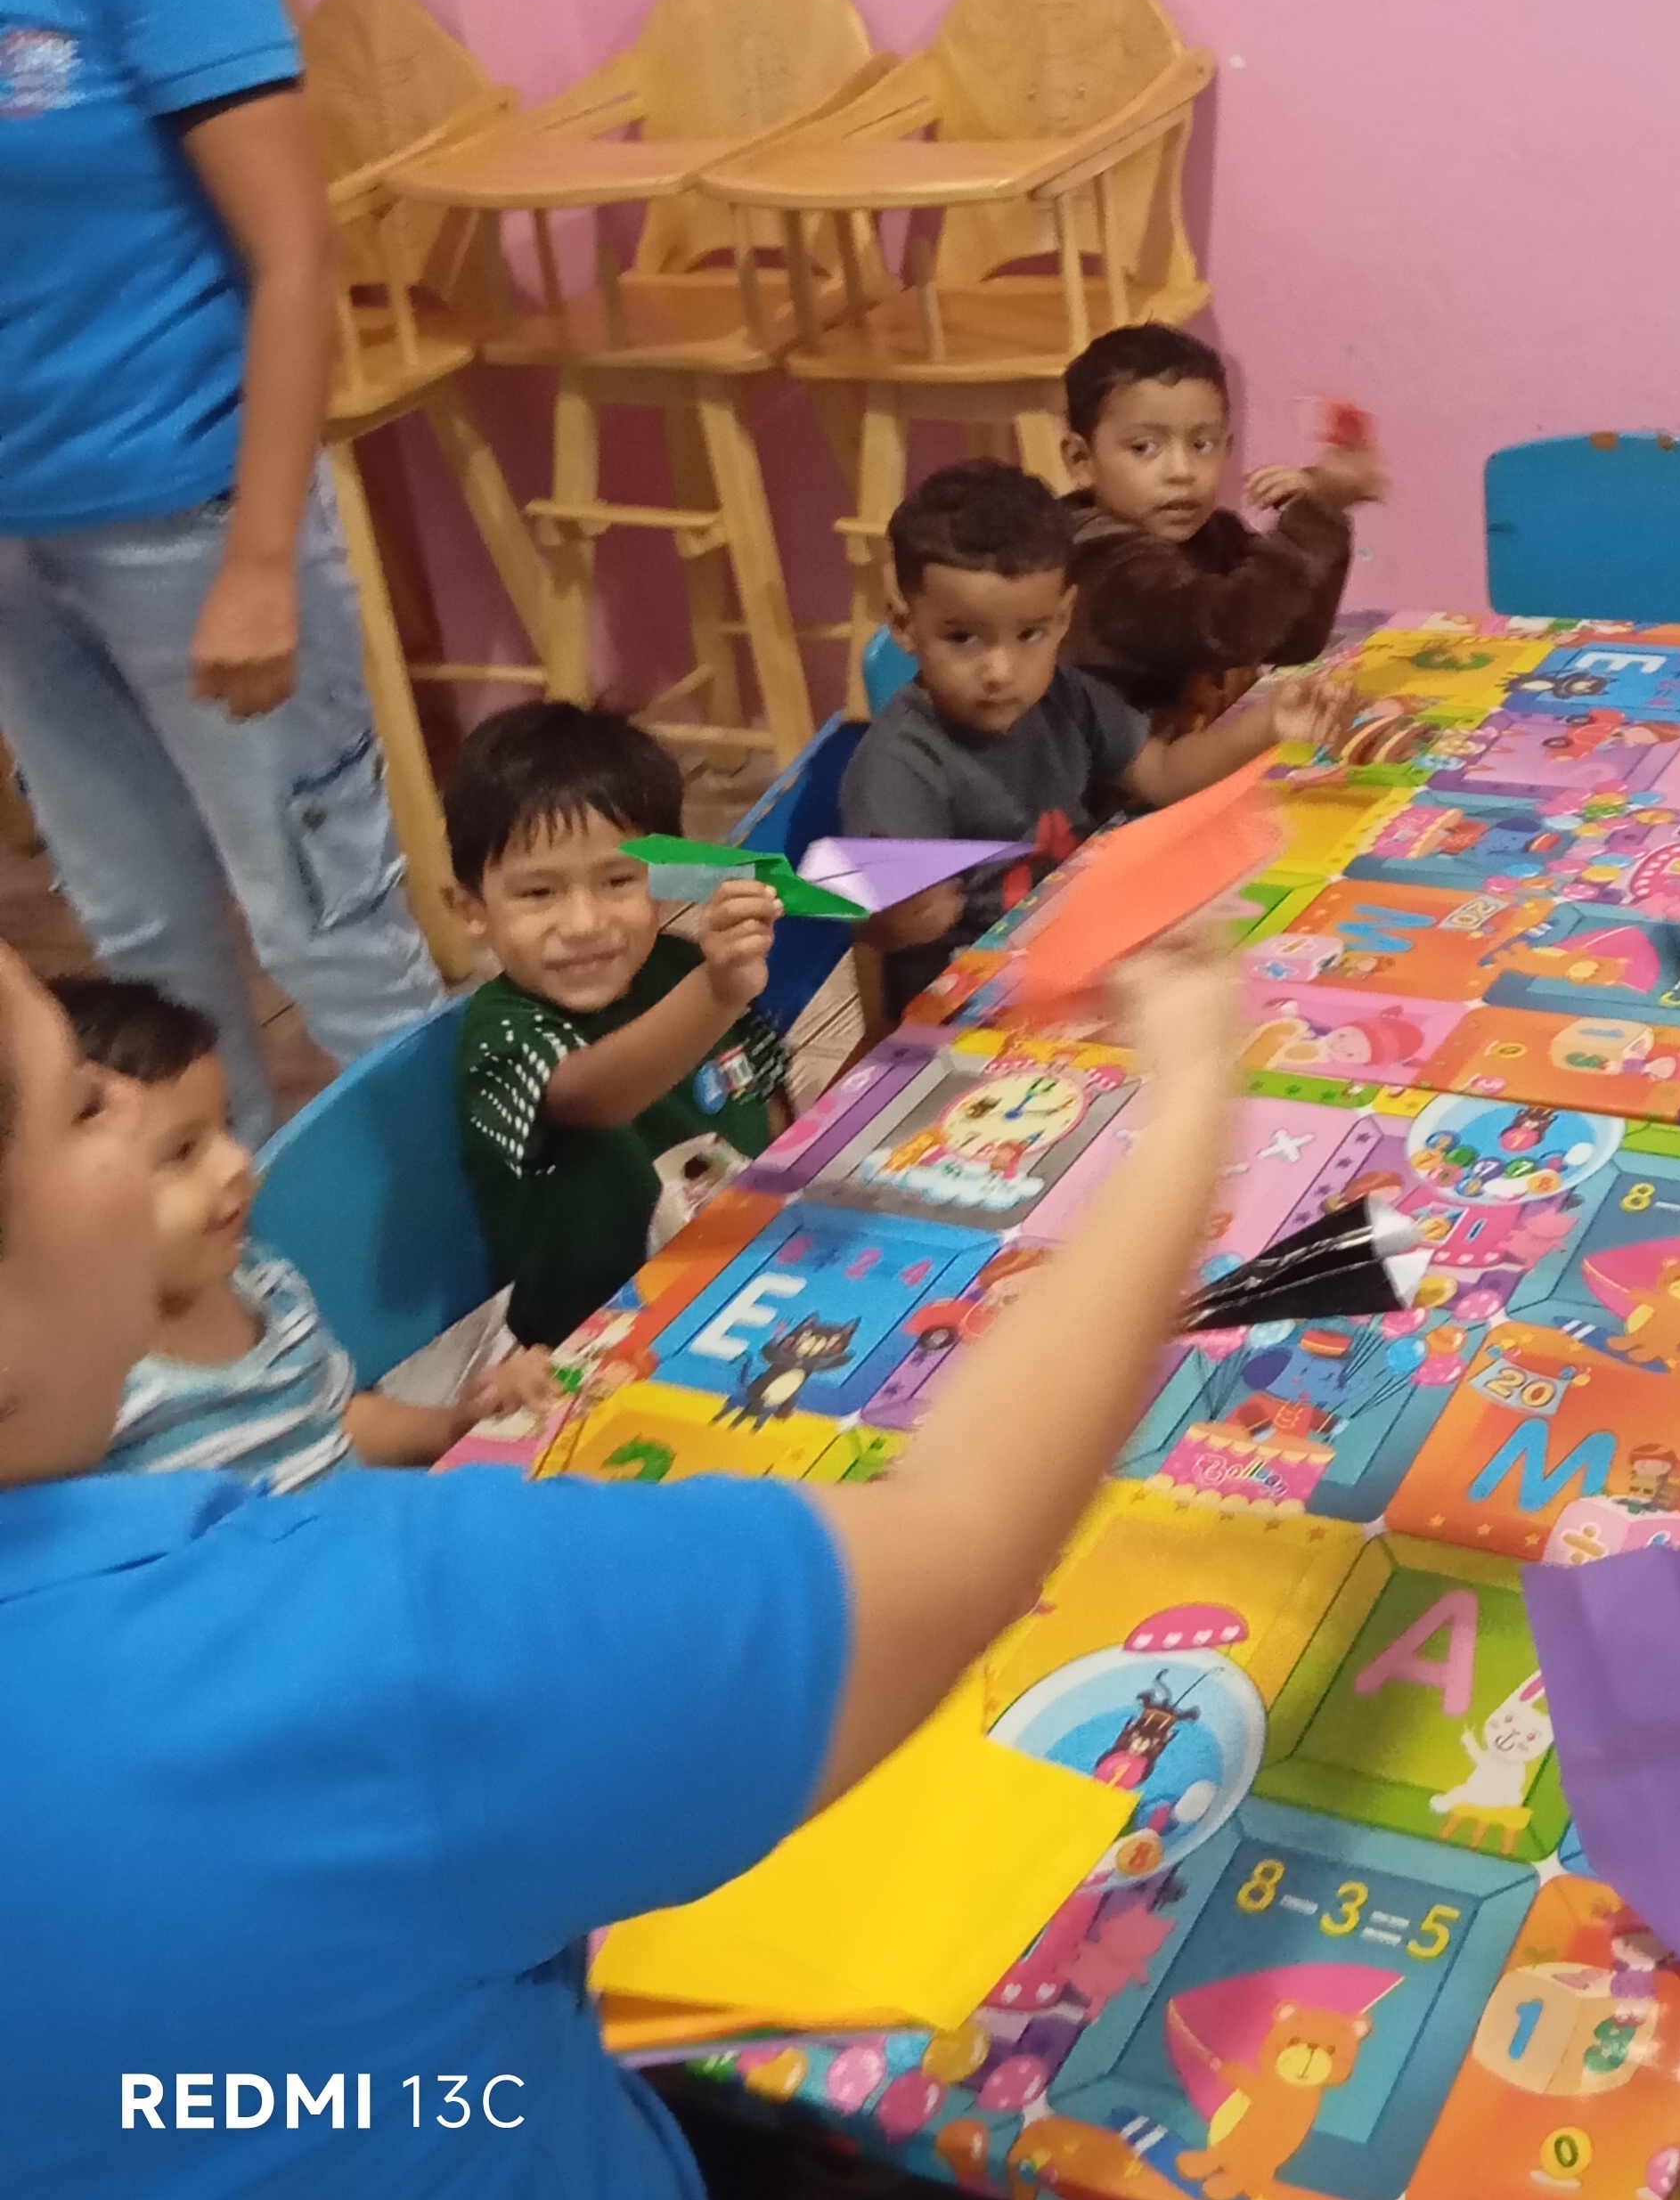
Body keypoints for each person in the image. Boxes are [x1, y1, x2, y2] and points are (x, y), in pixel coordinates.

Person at [0, 923, 1247, 2200]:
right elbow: (963, 1532)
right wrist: (1193, 1095)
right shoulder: (339, 1642)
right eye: (80, 1106)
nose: (130, 1113)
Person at [0, 0, 438, 1145]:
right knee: (139, 937)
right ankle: (227, 1253)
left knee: (325, 922)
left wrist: (260, 562)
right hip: (18, 554)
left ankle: (462, 1256)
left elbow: (295, 257)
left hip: (191, 520)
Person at [841, 460, 1350, 1023]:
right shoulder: (900, 763)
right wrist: (894, 919)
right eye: (962, 638)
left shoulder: (1062, 695)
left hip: (1077, 963)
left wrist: (1269, 722)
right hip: (965, 1014)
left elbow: (1162, 773)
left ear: (1063, 618)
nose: (1000, 671)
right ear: (905, 625)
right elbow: (863, 923)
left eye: (1030, 634)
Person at [65, 978, 549, 1487]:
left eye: (226, 1126)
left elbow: (336, 1421)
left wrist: (455, 1427)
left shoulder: (264, 1282)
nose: (237, 1161)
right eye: (183, 1151)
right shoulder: (89, 1409)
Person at [448, 703, 795, 1349]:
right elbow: (591, 1097)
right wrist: (716, 992)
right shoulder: (502, 1029)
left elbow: (768, 1098)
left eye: (617, 881)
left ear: (663, 882)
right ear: (471, 908)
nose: (584, 924)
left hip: (748, 1273)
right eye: (538, 893)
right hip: (599, 1343)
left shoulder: (682, 965)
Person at [1056, 323, 1382, 736]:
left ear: (1227, 448)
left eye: (1202, 445)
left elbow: (1293, 640)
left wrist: (1325, 514)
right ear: (1081, 460)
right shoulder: (1104, 565)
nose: (1182, 471)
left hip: (1213, 760)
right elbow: (1230, 630)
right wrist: (1316, 513)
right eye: (1145, 448)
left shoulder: (1216, 534)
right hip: (1131, 779)